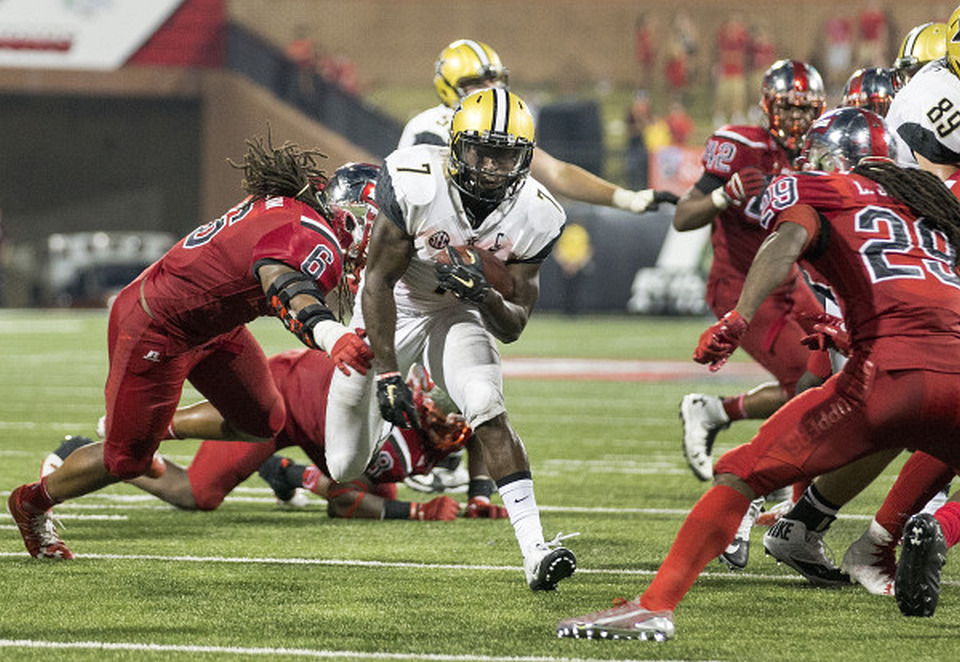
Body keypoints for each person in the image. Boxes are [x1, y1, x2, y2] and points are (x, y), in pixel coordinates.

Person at [558, 106, 960, 641]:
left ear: (832, 158)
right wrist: (847, 331)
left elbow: (784, 242)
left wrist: (739, 314)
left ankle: (655, 604)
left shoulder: (823, 188)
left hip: (886, 378)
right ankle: (920, 534)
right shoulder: (932, 206)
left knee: (744, 470)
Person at [7, 134, 374, 559]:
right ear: (355, 219)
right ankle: (32, 502)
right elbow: (281, 279)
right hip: (156, 326)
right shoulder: (314, 237)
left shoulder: (293, 208)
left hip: (212, 326)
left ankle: (152, 426)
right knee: (127, 462)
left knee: (264, 420)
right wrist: (331, 334)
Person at [326, 88, 577, 591]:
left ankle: (535, 551)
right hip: (397, 302)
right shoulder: (415, 178)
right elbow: (377, 281)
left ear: (524, 157)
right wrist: (391, 373)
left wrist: (483, 294)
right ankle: (394, 449)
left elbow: (514, 325)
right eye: (482, 149)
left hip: (458, 309)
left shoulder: (538, 214)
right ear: (456, 144)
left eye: (505, 153)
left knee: (486, 402)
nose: (490, 164)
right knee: (344, 464)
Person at [761, 11, 960, 591]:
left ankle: (808, 522)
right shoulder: (931, 101)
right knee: (916, 402)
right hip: (909, 260)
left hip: (910, 264)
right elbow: (927, 193)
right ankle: (873, 535)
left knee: (903, 413)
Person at [42, 353, 508, 522]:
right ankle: (81, 449)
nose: (453, 435)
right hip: (282, 403)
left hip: (324, 421)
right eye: (443, 424)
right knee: (197, 495)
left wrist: (481, 492)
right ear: (418, 405)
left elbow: (480, 437)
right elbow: (343, 498)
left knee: (372, 497)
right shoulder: (394, 433)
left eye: (457, 426)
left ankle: (285, 471)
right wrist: (417, 512)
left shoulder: (441, 416)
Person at [674, 60, 826, 516]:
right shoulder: (740, 146)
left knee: (828, 377)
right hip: (741, 287)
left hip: (793, 281)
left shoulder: (818, 152)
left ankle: (718, 413)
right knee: (810, 382)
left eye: (806, 110)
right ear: (768, 106)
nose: (798, 120)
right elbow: (684, 217)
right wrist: (725, 194)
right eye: (788, 109)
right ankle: (773, 486)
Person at [399, 39, 678, 215]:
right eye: (477, 83)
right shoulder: (430, 126)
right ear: (448, 87)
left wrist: (626, 198)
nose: (491, 89)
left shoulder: (503, 128)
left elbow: (557, 173)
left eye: (495, 80)